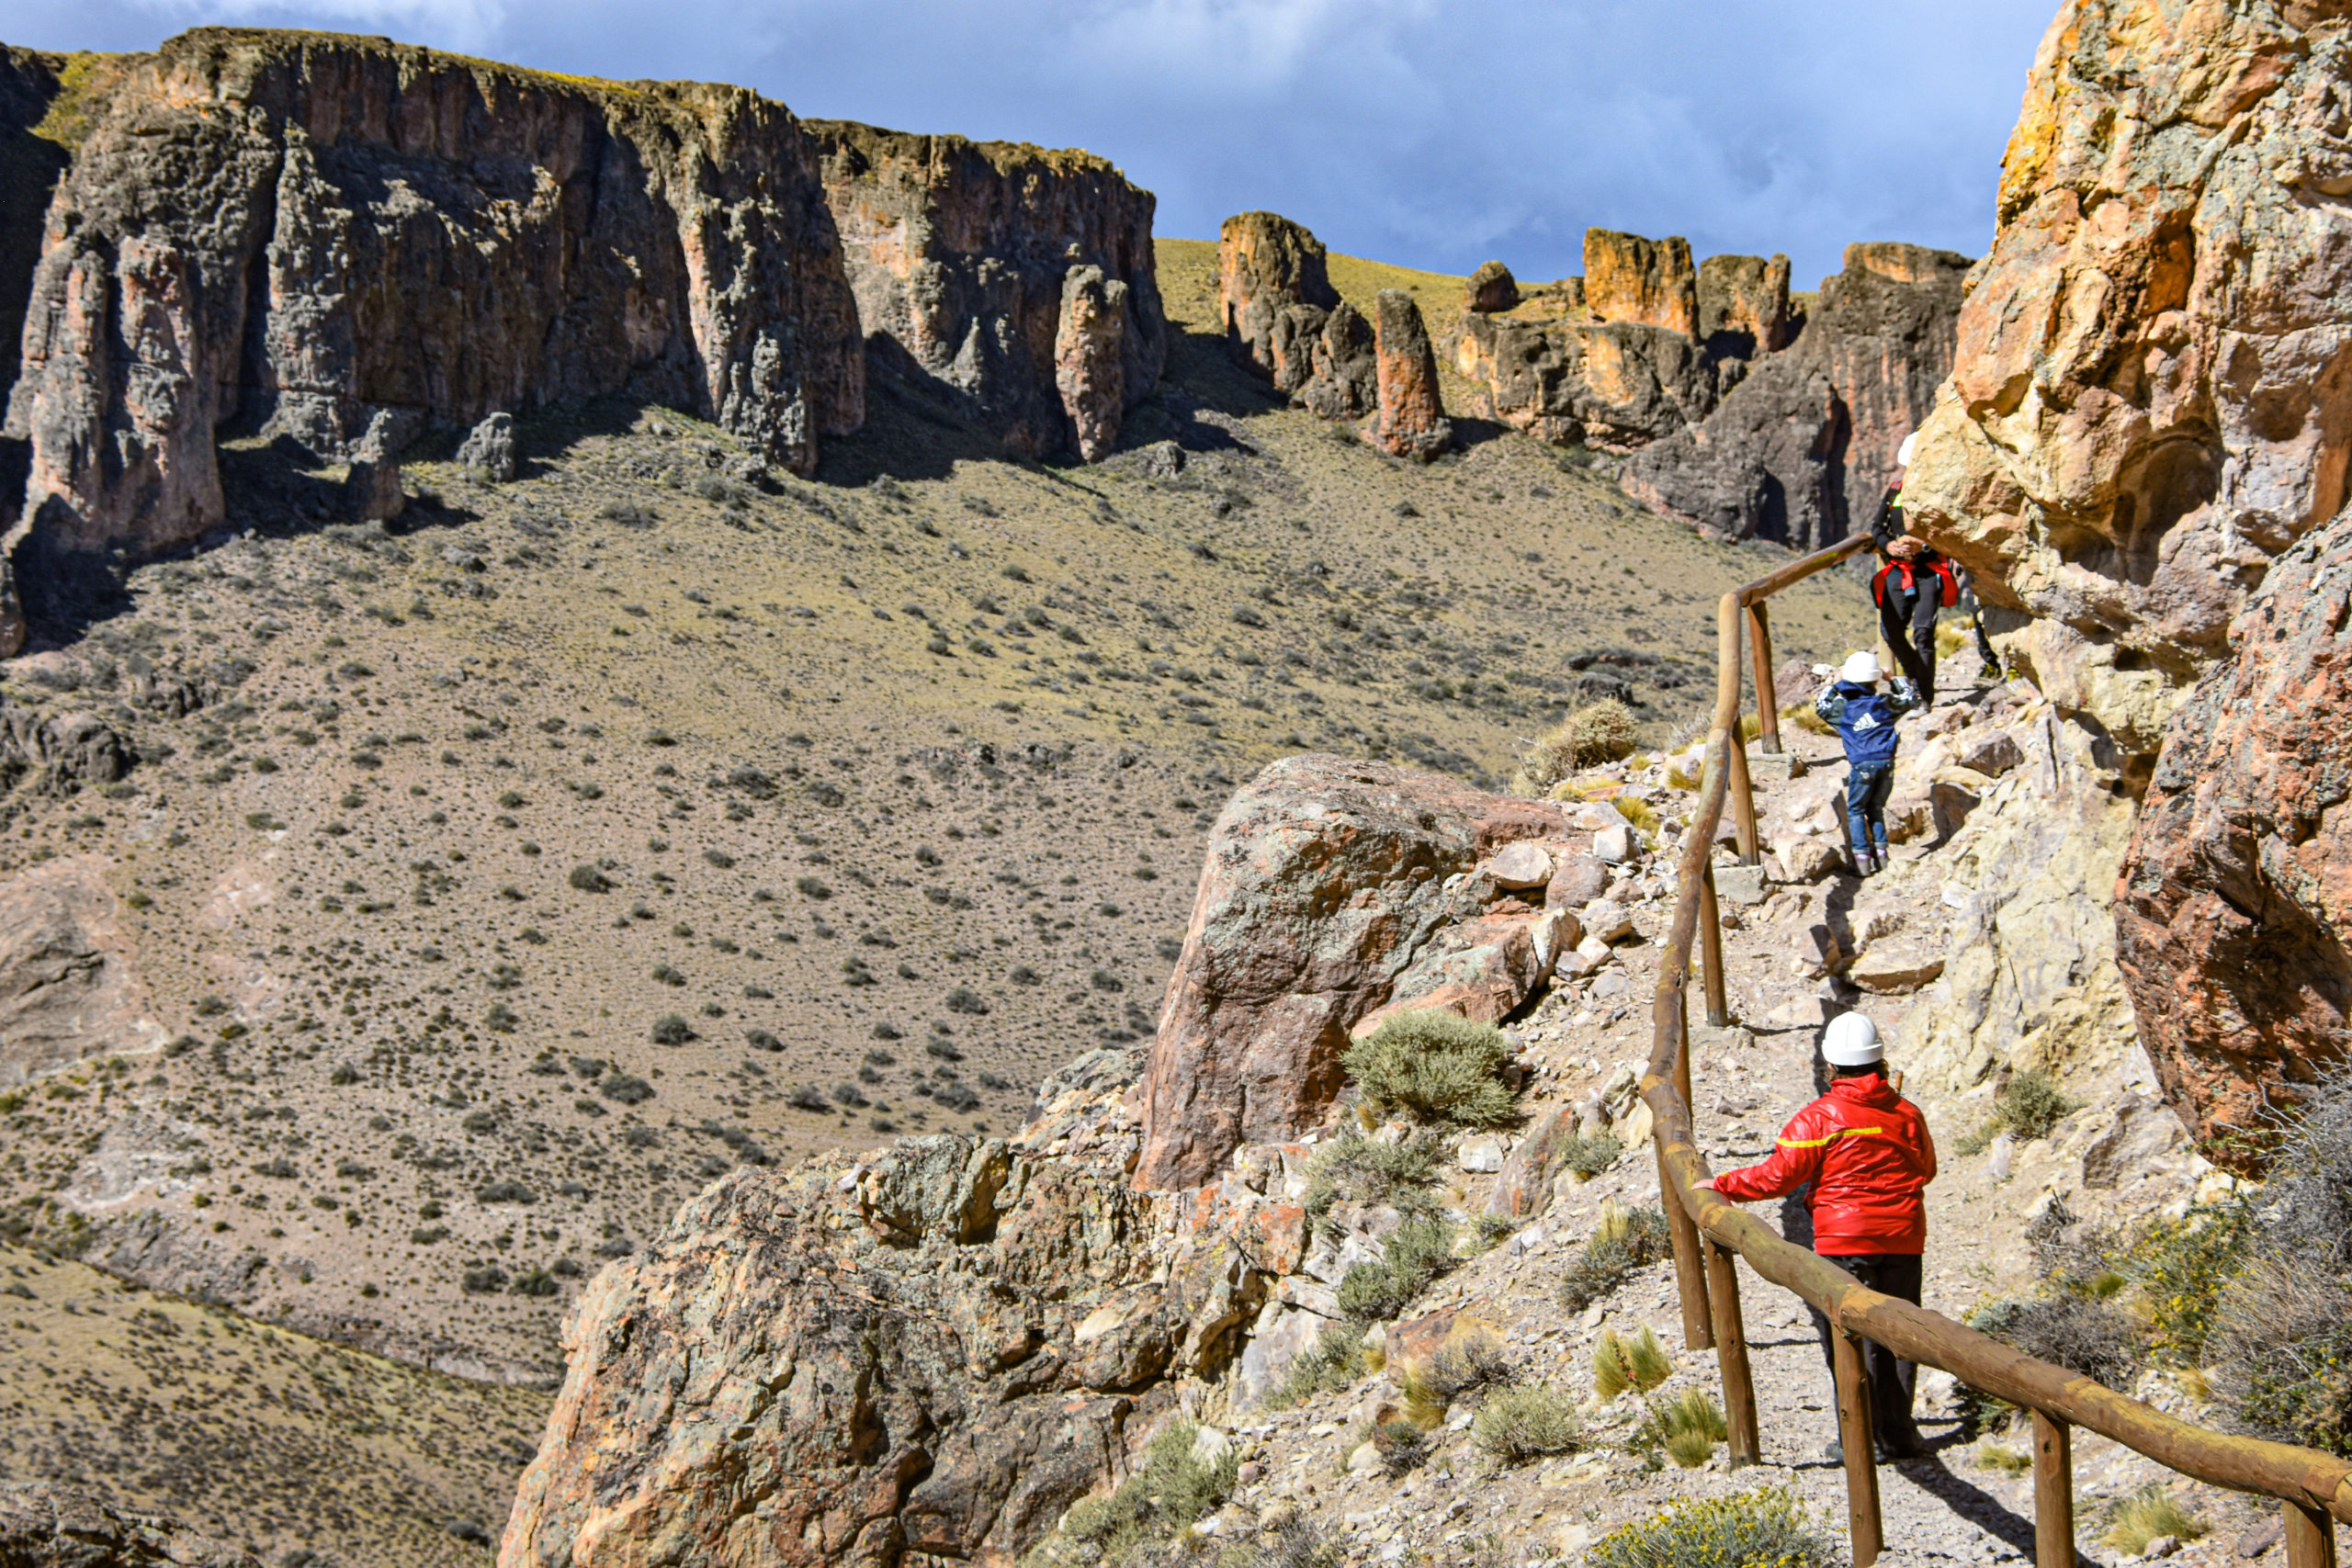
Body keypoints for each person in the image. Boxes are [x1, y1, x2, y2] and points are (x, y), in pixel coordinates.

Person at [1696, 1011, 1938, 1462]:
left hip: (1843, 1244)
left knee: (1848, 1339)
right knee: (1902, 1336)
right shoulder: (1907, 1113)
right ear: (1879, 1063)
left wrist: (1722, 1184)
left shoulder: (1819, 1118)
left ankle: (1858, 1441)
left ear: (1830, 1067)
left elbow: (1776, 1177)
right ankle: (1901, 1437)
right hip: (1903, 1238)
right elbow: (1926, 1169)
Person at [1871, 434, 1959, 703]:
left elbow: (1951, 535)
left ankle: (1923, 695)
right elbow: (1877, 528)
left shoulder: (1938, 496)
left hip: (1928, 571)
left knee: (1923, 632)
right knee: (1891, 631)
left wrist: (1923, 548)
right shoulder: (1895, 491)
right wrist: (1889, 546)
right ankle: (1915, 677)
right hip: (1898, 570)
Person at [1815, 650, 1918, 876]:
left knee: (1855, 810)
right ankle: (1882, 856)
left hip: (1861, 767)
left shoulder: (1843, 710)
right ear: (1875, 679)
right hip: (1887, 764)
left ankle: (1862, 862)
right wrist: (1892, 679)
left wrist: (1835, 684)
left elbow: (1821, 705)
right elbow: (1910, 697)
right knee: (1876, 808)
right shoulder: (1884, 704)